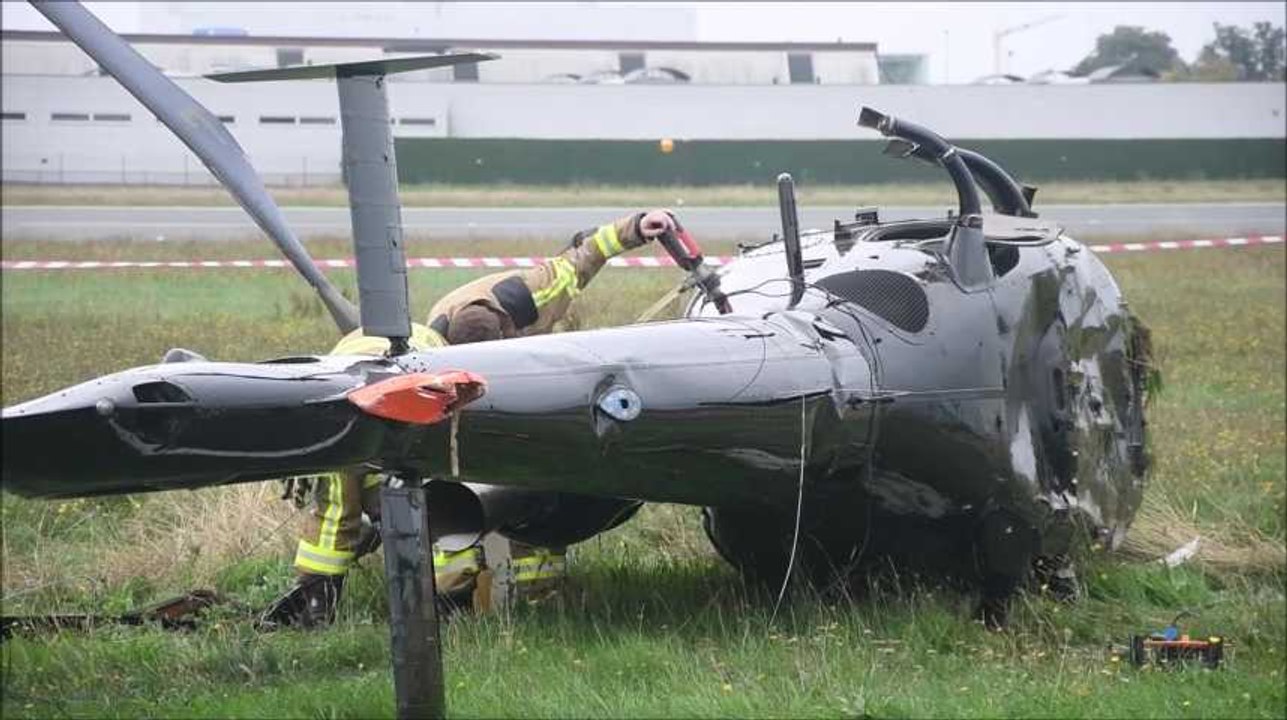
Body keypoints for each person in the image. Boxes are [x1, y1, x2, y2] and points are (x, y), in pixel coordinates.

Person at [259, 209, 679, 628]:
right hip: (398, 407)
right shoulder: (413, 377)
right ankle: (416, 599)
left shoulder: (523, 298)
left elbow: (580, 259)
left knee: (533, 481)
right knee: (420, 494)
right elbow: (343, 507)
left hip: (534, 390)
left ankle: (534, 595)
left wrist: (636, 227)